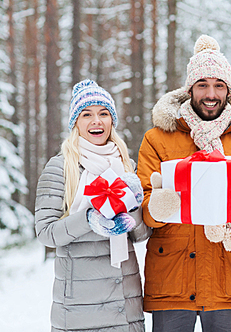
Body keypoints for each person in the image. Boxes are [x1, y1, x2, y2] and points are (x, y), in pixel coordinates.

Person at [136, 35, 231, 332]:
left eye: (219, 85)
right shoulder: (157, 138)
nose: (211, 94)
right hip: (172, 275)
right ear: (189, 90)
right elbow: (143, 206)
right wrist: (154, 206)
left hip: (228, 275)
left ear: (229, 90)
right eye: (202, 85)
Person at [35, 79, 151, 331]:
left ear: (112, 122)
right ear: (76, 122)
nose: (96, 121)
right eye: (86, 114)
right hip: (79, 305)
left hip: (124, 301)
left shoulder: (126, 166)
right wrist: (89, 219)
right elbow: (45, 233)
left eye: (103, 113)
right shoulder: (60, 168)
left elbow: (140, 235)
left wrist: (133, 207)